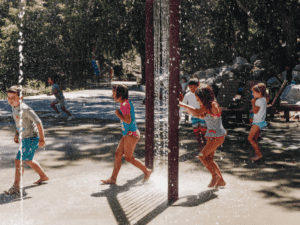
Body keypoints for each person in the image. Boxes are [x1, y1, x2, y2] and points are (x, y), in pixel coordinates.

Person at [101, 84, 152, 184]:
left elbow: (128, 120)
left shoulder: (125, 104)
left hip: (131, 134)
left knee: (128, 158)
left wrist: (118, 114)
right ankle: (113, 179)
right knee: (118, 154)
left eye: (114, 93)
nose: (112, 96)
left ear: (120, 94)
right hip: (128, 134)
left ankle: (147, 171)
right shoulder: (124, 103)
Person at [4, 85, 49, 195]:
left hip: (32, 138)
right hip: (25, 138)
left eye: (13, 97)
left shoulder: (25, 109)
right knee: (28, 160)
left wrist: (42, 139)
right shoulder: (14, 107)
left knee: (18, 161)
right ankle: (43, 176)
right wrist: (16, 133)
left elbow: (38, 122)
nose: (10, 100)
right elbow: (18, 122)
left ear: (21, 98)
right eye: (8, 97)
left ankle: (16, 186)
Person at [179, 86, 227, 188]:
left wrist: (182, 104)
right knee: (209, 159)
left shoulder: (212, 105)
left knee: (201, 156)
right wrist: (189, 110)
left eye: (198, 99)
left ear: (204, 97)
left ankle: (215, 176)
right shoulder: (209, 106)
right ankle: (221, 180)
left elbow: (197, 112)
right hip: (212, 136)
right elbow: (201, 115)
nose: (198, 101)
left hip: (217, 137)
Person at [179, 78, 207, 152]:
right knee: (196, 132)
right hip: (193, 117)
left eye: (195, 87)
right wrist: (179, 115)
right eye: (191, 87)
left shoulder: (202, 94)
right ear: (188, 87)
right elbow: (183, 105)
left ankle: (205, 143)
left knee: (203, 131)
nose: (192, 89)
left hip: (202, 116)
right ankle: (200, 145)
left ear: (198, 86)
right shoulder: (187, 95)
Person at [248, 83, 268, 161]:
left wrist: (253, 104)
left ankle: (259, 154)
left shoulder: (258, 101)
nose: (252, 94)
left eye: (253, 92)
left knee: (250, 138)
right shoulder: (263, 99)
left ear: (259, 93)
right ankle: (257, 154)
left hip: (257, 123)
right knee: (255, 139)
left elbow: (255, 111)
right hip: (261, 122)